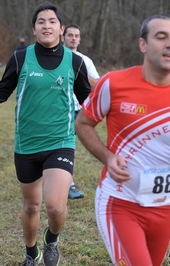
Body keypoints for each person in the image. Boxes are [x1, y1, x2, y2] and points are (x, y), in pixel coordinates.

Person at [75, 14, 170, 266]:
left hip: (166, 206)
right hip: (120, 202)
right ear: (143, 45)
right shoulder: (113, 83)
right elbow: (83, 122)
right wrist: (107, 156)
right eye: (161, 37)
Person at [0, 2, 91, 265]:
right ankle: (31, 252)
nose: (46, 25)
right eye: (41, 22)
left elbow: (88, 101)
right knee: (32, 206)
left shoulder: (76, 62)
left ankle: (52, 240)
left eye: (51, 21)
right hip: (26, 144)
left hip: (61, 141)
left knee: (56, 207)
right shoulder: (21, 57)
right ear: (34, 29)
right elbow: (3, 91)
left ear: (62, 28)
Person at [62, 23, 100, 199]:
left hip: (78, 111)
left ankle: (65, 183)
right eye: (70, 35)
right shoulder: (54, 57)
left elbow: (98, 87)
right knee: (62, 146)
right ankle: (65, 184)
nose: (73, 38)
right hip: (57, 109)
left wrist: (80, 73)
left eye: (76, 36)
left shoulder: (85, 61)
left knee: (68, 147)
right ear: (63, 37)